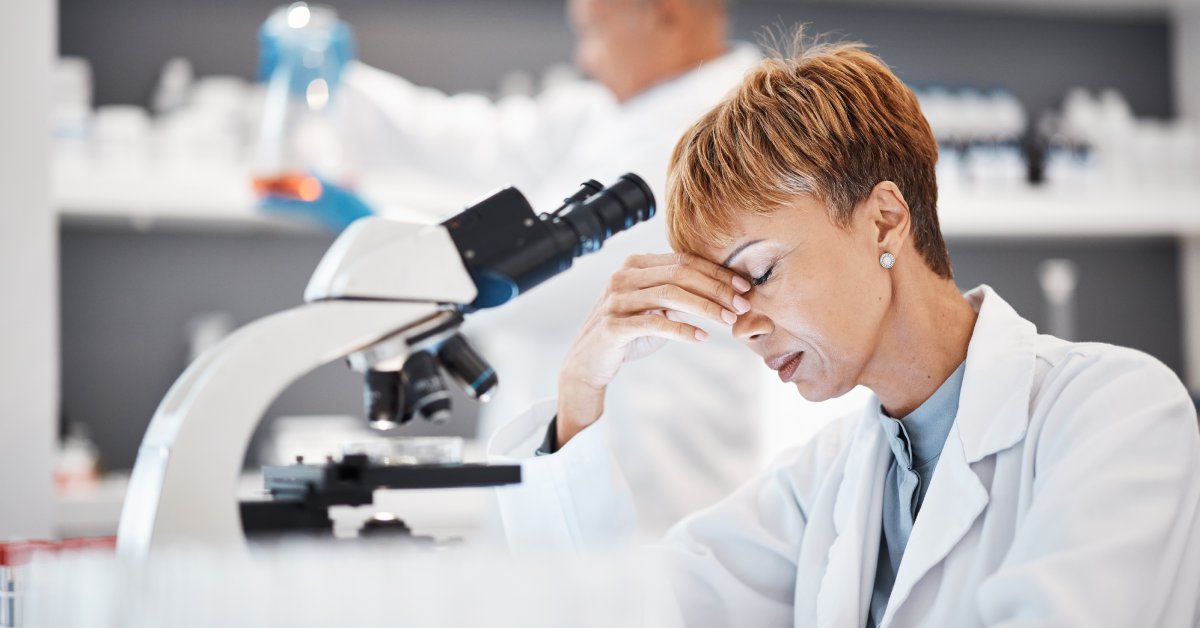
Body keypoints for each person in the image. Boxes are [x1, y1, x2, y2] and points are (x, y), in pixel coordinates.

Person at [490, 34, 1200, 627]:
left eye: (759, 274)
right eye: (728, 294)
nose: (745, 325)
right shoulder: (826, 480)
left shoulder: (1116, 411)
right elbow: (629, 613)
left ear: (885, 220)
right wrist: (581, 388)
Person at [314, 0, 782, 534]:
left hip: (651, 485)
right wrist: (341, 86)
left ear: (665, 18)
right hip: (570, 480)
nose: (584, 59)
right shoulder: (614, 109)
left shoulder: (711, 136)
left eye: (595, 31)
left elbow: (528, 289)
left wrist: (379, 231)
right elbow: (482, 139)